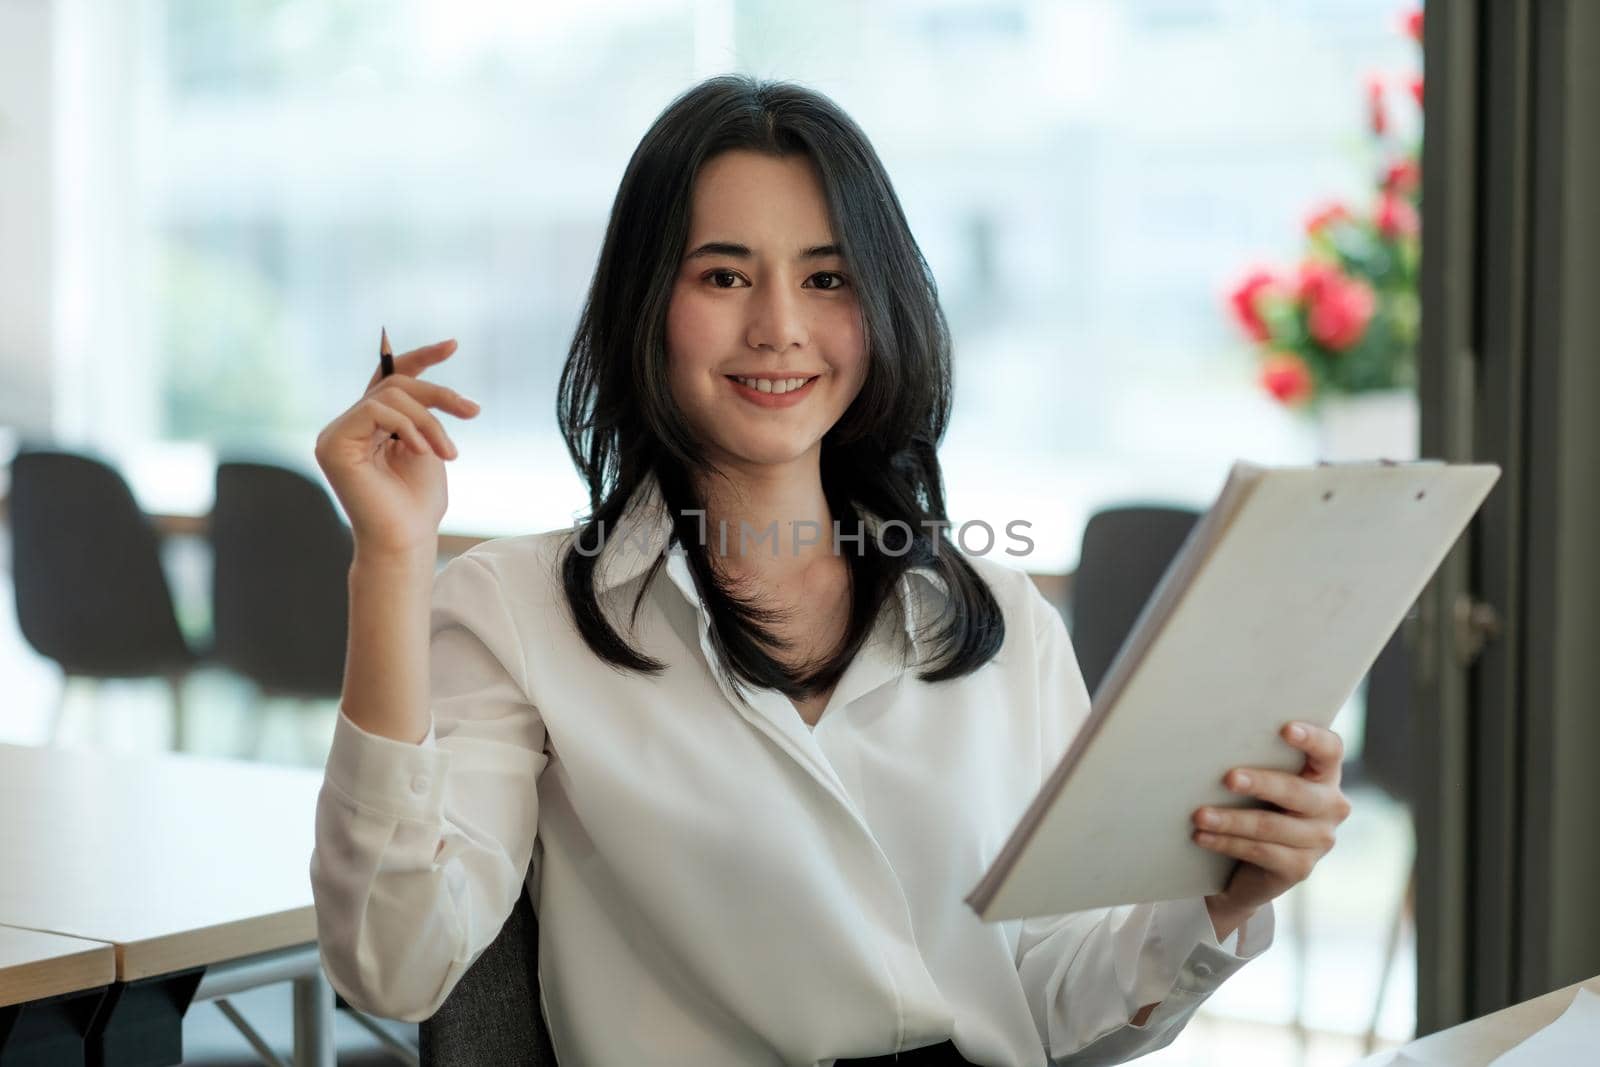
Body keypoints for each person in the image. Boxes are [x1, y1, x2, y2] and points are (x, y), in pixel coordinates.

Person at [309, 74, 1351, 1066]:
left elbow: (1044, 1001)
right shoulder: (521, 608)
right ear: (645, 305)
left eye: (826, 277)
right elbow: (395, 962)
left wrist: (1218, 899)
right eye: (723, 276)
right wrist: (391, 560)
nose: (780, 328)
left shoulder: (995, 614)